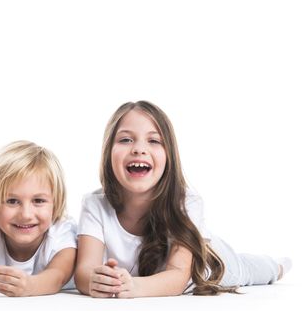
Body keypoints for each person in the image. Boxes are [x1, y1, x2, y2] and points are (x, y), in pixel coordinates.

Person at [75, 101, 291, 298]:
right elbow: (84, 271)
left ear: (169, 156)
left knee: (247, 269)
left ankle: (277, 266)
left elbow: (177, 277)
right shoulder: (94, 205)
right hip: (138, 280)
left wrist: (134, 287)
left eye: (154, 140)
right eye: (125, 139)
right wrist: (95, 281)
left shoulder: (187, 202)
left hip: (211, 265)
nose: (139, 149)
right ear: (107, 151)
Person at [0, 140, 77, 296]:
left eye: (38, 201)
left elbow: (58, 276)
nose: (26, 215)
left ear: (56, 203)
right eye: (12, 201)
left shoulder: (63, 230)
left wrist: (29, 286)